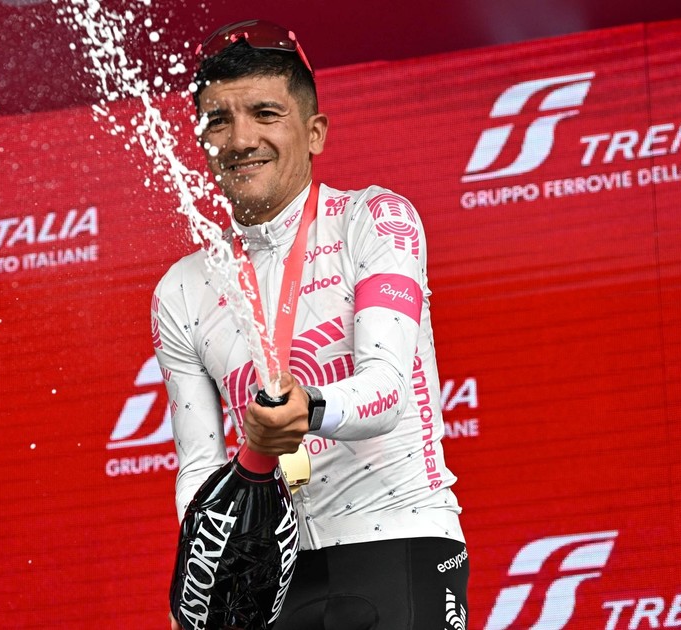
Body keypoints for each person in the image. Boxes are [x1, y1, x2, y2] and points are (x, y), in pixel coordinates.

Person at [154, 20, 468, 629]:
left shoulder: (374, 220)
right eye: (219, 120)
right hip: (273, 576)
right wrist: (203, 571)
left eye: (265, 113)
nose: (240, 138)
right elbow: (198, 466)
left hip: (399, 539)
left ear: (315, 131)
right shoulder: (182, 288)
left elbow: (386, 392)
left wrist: (310, 406)